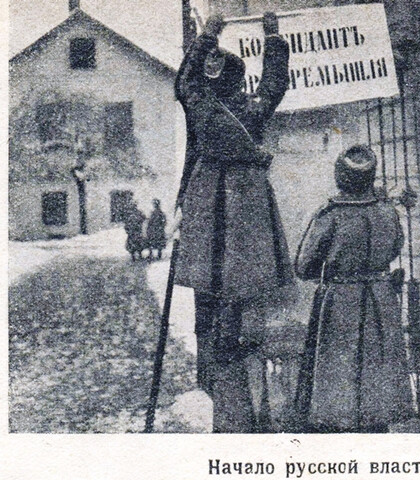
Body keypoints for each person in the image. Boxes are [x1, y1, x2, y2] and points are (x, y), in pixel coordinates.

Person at [172, 12, 293, 433]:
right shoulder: (253, 110)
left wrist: (208, 35)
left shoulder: (202, 110)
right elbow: (275, 83)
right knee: (246, 291)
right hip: (247, 203)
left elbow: (184, 81)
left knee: (212, 289)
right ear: (241, 82)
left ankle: (220, 367)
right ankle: (242, 350)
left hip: (210, 203)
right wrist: (273, 37)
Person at [294, 145, 412, 433]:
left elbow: (304, 266)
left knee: (340, 374)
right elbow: (396, 246)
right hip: (381, 298)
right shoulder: (387, 211)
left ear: (340, 176)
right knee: (377, 369)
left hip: (341, 300)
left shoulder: (330, 214)